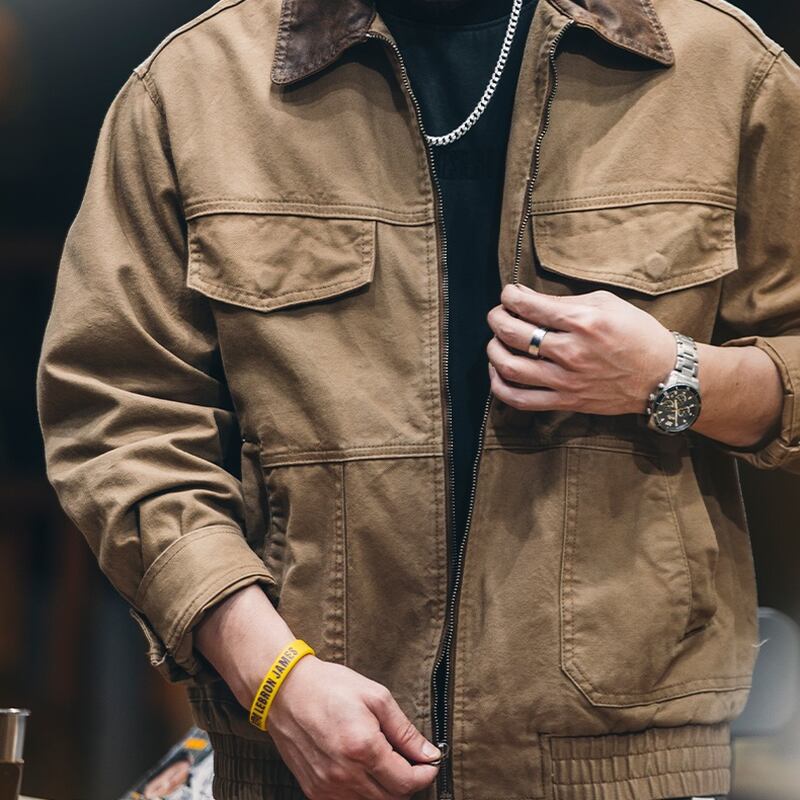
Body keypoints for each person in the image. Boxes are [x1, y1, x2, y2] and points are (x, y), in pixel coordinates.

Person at [35, 0, 800, 797]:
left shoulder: (718, 70)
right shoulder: (196, 87)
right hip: (309, 764)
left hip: (630, 770)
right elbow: (119, 418)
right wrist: (275, 678)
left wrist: (675, 376)